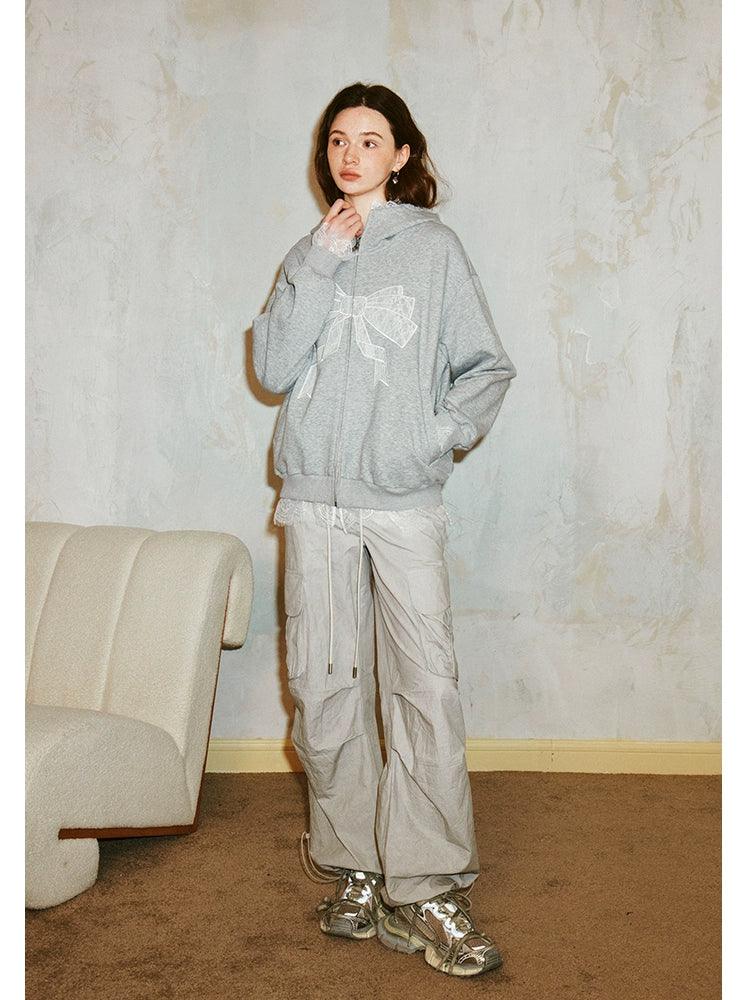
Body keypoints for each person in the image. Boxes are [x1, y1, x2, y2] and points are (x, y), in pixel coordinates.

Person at [251, 82, 517, 978]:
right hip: (315, 503)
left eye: (370, 140)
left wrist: (430, 437)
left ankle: (427, 883)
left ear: (402, 155)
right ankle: (356, 867)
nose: (351, 155)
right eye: (338, 139)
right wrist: (321, 260)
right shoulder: (309, 252)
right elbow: (274, 367)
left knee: (424, 688)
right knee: (322, 684)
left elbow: (485, 367)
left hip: (401, 499)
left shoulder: (435, 250)